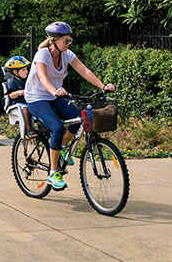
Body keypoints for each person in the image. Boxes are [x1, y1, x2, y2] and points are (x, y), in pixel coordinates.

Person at [24, 21, 113, 190]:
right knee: (57, 127)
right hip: (36, 98)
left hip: (54, 95)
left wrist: (103, 86)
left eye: (69, 40)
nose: (68, 43)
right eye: (66, 40)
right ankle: (53, 173)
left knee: (79, 119)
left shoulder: (67, 55)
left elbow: (84, 70)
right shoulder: (42, 54)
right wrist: (54, 91)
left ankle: (63, 147)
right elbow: (43, 77)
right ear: (54, 41)